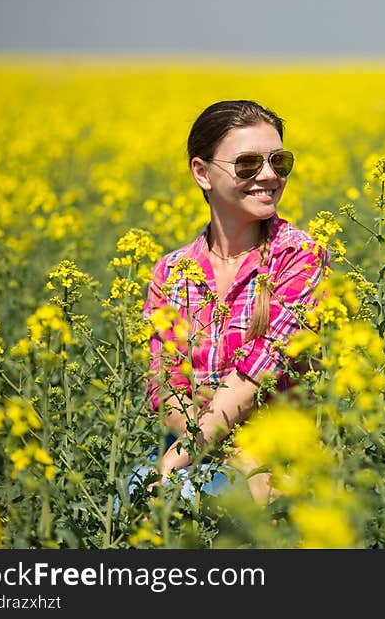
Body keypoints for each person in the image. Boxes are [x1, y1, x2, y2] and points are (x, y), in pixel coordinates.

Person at [139, 99, 329, 506]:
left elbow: (258, 371)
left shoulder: (299, 257)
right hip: (194, 458)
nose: (269, 176)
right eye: (247, 164)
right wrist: (204, 452)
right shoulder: (170, 272)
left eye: (280, 161)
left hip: (277, 464)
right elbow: (164, 382)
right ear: (202, 173)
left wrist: (195, 453)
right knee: (131, 503)